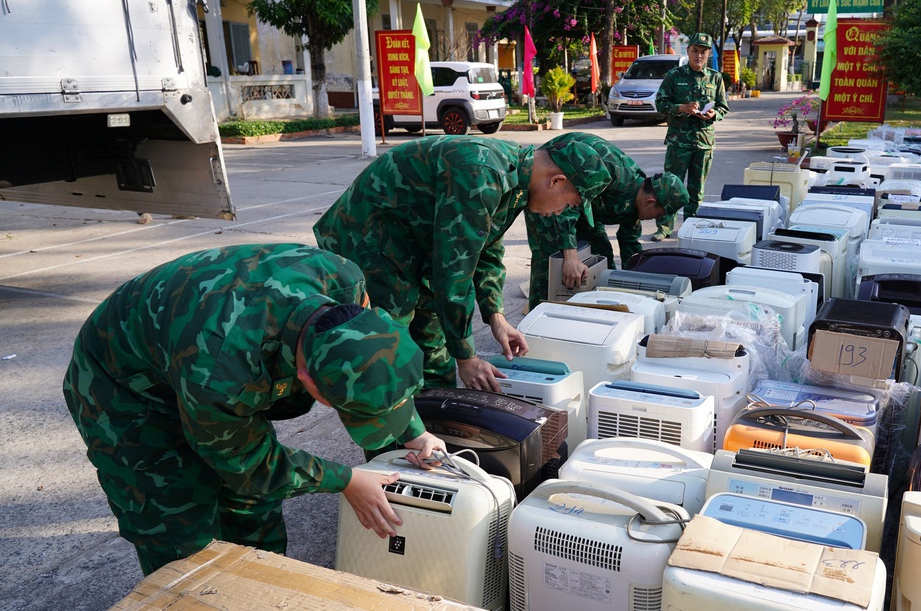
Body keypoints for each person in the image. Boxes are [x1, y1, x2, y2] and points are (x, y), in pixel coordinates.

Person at [62, 243, 446, 576]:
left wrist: (414, 431)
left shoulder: (345, 282)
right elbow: (250, 466)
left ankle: (260, 587)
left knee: (253, 509)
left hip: (198, 344)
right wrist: (345, 480)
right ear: (306, 380)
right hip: (123, 383)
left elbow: (377, 359)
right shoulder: (222, 370)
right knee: (177, 525)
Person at [313, 135, 611, 393]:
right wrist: (467, 358)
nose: (558, 213)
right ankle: (390, 451)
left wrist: (496, 315)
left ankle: (434, 430)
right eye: (568, 204)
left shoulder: (519, 177)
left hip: (415, 243)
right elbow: (454, 273)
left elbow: (487, 248)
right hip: (370, 240)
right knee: (389, 351)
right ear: (556, 181)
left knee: (435, 348)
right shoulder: (480, 175)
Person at [525, 132, 689, 309]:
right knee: (550, 262)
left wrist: (637, 289)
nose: (655, 219)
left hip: (581, 204)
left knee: (602, 257)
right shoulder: (613, 174)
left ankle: (597, 309)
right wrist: (570, 257)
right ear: (650, 201)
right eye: (658, 215)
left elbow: (630, 245)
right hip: (551, 191)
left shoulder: (637, 199)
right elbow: (564, 205)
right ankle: (537, 316)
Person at [651, 32, 730, 241]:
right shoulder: (674, 76)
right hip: (679, 143)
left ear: (708, 54)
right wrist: (681, 107)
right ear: (688, 51)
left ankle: (690, 227)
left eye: (703, 52)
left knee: (697, 190)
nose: (699, 55)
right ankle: (665, 227)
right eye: (695, 50)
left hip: (704, 142)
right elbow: (660, 104)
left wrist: (715, 114)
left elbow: (723, 107)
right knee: (671, 186)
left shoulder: (716, 78)